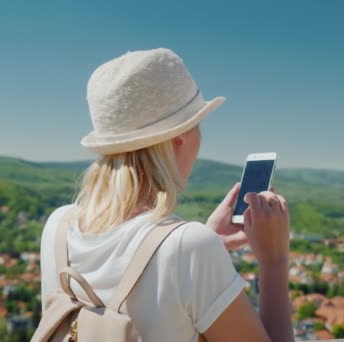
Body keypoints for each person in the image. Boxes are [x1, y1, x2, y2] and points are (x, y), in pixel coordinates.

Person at [39, 48, 294, 341]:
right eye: (198, 125)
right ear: (179, 139)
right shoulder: (191, 248)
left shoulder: (58, 226)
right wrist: (274, 261)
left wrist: (205, 242)